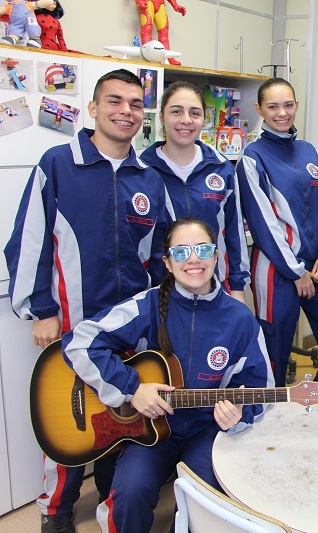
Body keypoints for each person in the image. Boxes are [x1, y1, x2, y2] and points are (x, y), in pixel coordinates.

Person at [3, 69, 171, 533]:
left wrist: (163, 313)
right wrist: (41, 309)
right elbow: (29, 239)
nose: (126, 111)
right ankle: (56, 508)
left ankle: (111, 494)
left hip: (130, 327)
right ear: (93, 108)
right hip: (73, 324)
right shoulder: (58, 164)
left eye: (135, 104)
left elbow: (161, 256)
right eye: (115, 101)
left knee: (120, 414)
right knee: (67, 418)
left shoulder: (149, 179)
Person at [61, 217, 273, 532]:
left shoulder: (240, 319)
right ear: (168, 263)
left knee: (205, 503)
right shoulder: (146, 305)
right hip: (148, 431)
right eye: (181, 252)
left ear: (216, 256)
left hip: (207, 430)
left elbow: (261, 386)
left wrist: (239, 415)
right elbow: (79, 342)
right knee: (129, 495)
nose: (193, 259)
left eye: (203, 249)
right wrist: (132, 388)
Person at [236, 77, 318, 386]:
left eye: (288, 105)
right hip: (276, 270)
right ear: (259, 109)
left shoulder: (309, 151)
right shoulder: (252, 158)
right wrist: (295, 272)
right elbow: (263, 224)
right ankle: (273, 408)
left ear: (297, 105)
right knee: (274, 349)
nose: (282, 113)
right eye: (273, 107)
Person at [141, 81, 249, 304]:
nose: (186, 120)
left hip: (214, 289)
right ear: (162, 117)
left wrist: (238, 287)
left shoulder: (221, 168)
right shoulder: (142, 170)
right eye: (176, 111)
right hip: (160, 294)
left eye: (195, 113)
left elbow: (234, 233)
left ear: (204, 119)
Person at [134, 0, 185, 65]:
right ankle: (150, 57)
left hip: (160, 4)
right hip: (148, 3)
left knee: (164, 32)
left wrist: (175, 5)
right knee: (147, 30)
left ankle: (168, 57)